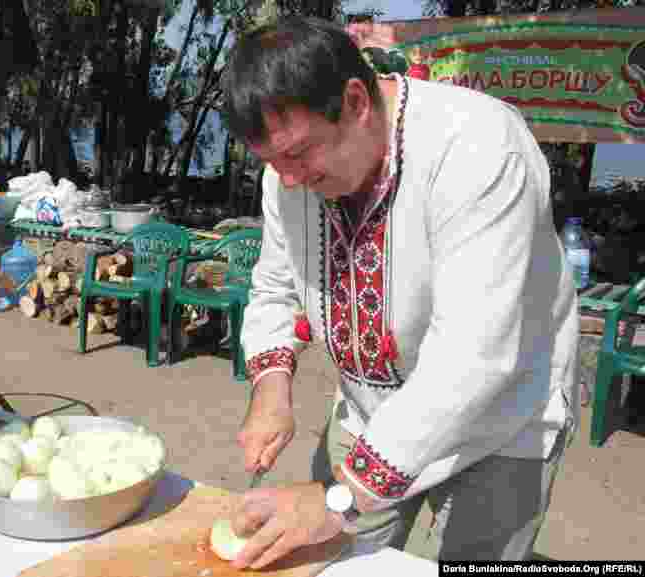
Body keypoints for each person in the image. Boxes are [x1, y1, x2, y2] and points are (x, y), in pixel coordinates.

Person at [225, 18, 580, 567]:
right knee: (323, 557)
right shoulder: (287, 177)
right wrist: (271, 390)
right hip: (369, 415)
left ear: (356, 101)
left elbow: (474, 356)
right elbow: (275, 286)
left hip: (501, 424)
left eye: (298, 155)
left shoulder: (476, 147)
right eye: (271, 163)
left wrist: (339, 499)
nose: (288, 180)